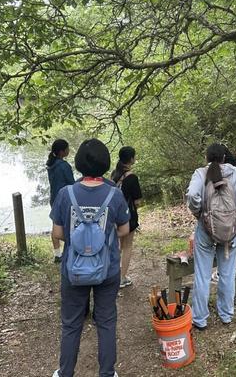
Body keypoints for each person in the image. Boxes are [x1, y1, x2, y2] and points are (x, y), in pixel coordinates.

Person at [50, 138, 130, 377]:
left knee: (71, 324)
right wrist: (101, 238)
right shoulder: (115, 194)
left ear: (78, 164)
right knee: (106, 322)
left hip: (73, 269)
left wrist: (80, 240)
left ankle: (65, 373)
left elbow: (57, 233)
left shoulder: (65, 194)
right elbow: (124, 230)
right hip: (107, 268)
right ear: (105, 163)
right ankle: (107, 373)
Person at [186, 143, 236, 329]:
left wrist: (198, 213)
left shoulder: (201, 173)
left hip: (206, 230)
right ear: (224, 158)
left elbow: (193, 195)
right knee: (227, 273)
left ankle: (200, 319)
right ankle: (226, 315)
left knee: (202, 275)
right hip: (230, 230)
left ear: (206, 158)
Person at [110, 146, 142, 289]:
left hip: (115, 216)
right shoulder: (132, 177)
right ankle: (122, 278)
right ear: (131, 159)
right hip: (129, 216)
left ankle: (113, 275)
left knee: (117, 246)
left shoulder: (114, 175)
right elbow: (137, 201)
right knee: (127, 246)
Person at [47, 139, 75, 263]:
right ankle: (68, 251)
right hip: (64, 199)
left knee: (55, 224)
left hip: (54, 198)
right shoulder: (64, 166)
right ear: (62, 151)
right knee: (68, 225)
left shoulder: (51, 165)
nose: (69, 150)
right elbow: (71, 183)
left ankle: (57, 255)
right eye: (67, 148)